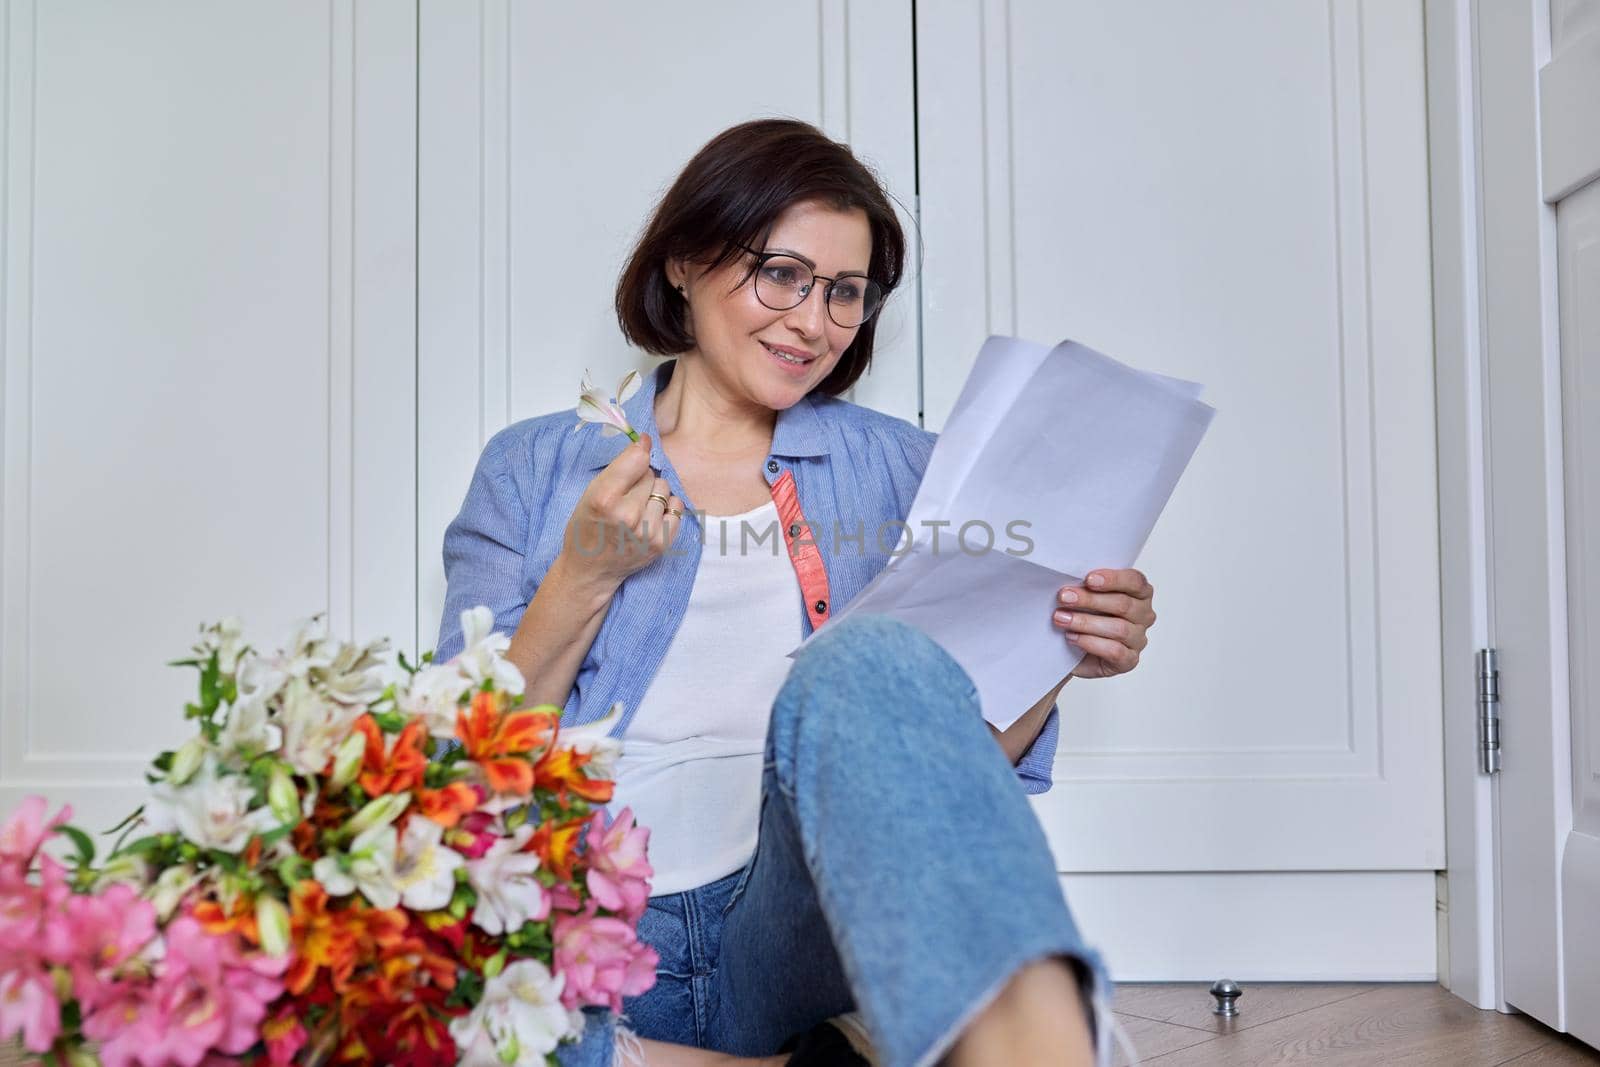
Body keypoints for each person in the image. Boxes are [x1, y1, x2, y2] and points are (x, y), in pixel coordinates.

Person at [435, 118, 1157, 1067]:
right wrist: (583, 573)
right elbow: (455, 780)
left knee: (862, 662)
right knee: (417, 988)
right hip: (592, 936)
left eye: (846, 293)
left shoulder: (909, 473)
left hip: (795, 925)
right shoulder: (534, 466)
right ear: (687, 261)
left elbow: (945, 780)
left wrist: (1058, 638)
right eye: (782, 274)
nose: (813, 322)